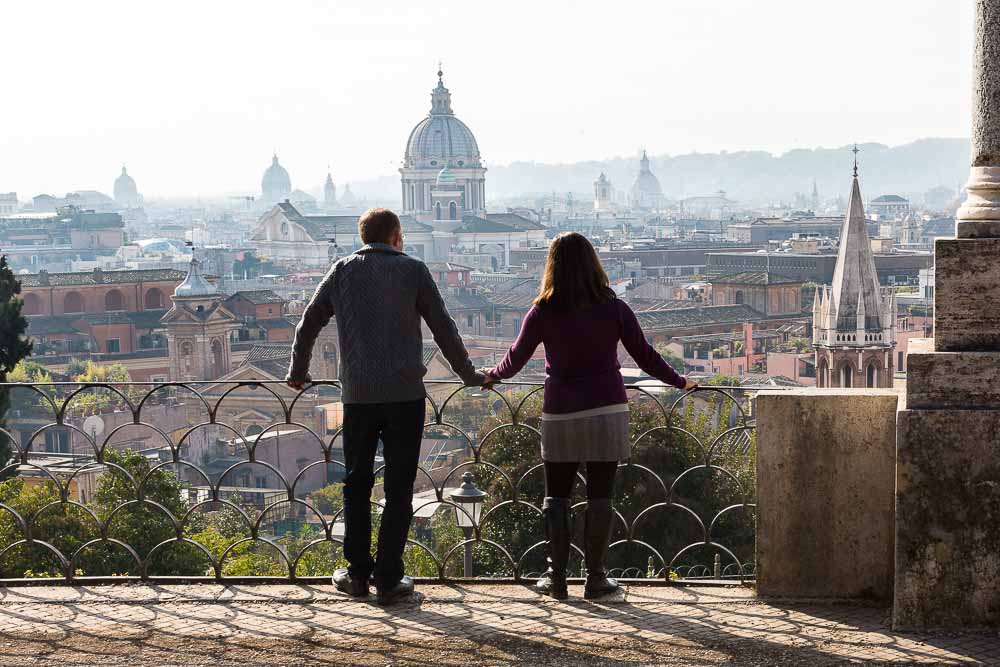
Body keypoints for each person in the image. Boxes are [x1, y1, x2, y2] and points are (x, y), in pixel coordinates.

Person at [481, 232, 696, 600]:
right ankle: (596, 577)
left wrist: (491, 376)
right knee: (601, 494)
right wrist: (680, 381)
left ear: (552, 267)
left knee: (557, 496)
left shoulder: (542, 310)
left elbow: (515, 359)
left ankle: (557, 577)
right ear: (594, 263)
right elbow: (645, 356)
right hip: (607, 408)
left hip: (561, 410)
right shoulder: (614, 308)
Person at [287, 207, 485, 605]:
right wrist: (468, 375)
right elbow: (443, 326)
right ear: (397, 236)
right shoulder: (414, 270)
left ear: (364, 238)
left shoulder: (342, 270)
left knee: (356, 485)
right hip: (405, 395)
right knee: (398, 489)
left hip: (357, 397)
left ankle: (357, 574)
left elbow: (309, 320)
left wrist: (298, 369)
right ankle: (389, 578)